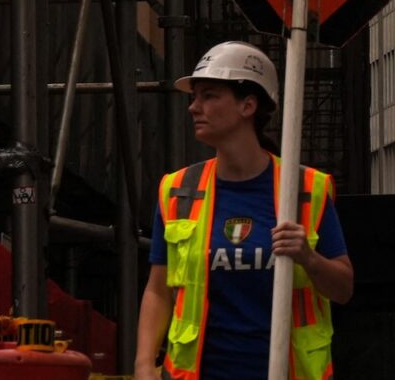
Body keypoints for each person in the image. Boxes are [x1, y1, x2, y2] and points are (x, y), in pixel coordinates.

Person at [134, 41, 354, 380]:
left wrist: (309, 258)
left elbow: (343, 289)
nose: (194, 107)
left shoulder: (306, 189)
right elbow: (158, 289)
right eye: (195, 97)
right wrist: (144, 365)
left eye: (209, 96)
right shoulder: (178, 190)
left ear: (248, 105)